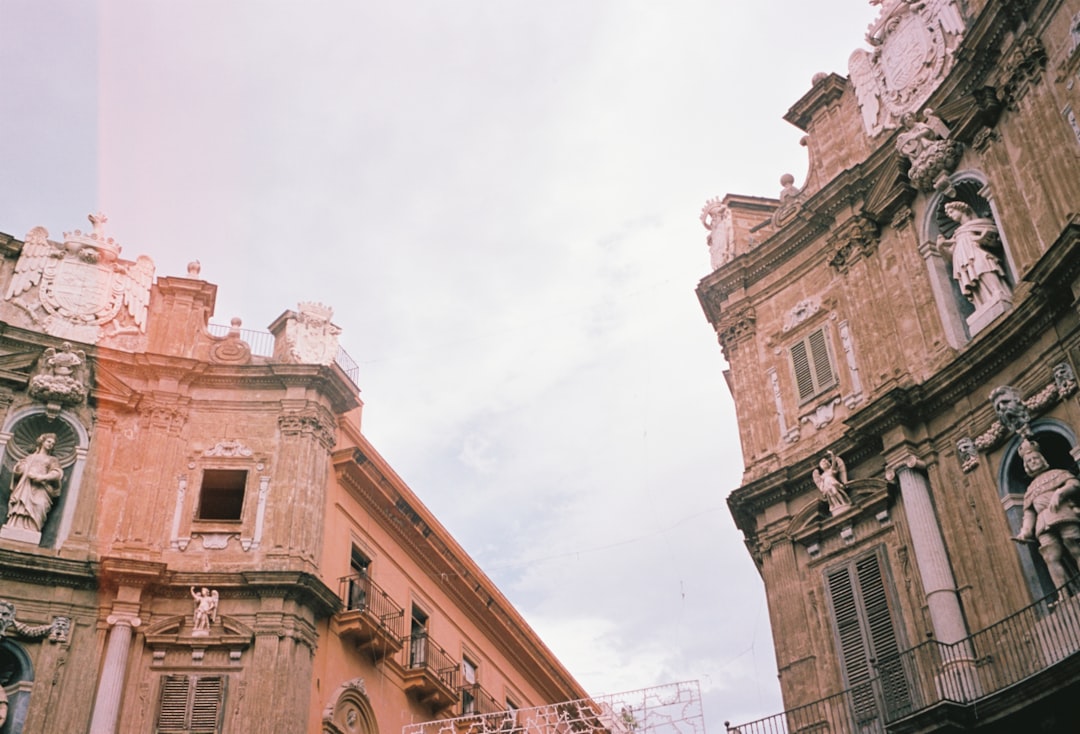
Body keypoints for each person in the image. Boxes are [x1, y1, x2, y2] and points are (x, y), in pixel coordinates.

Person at [1013, 439, 1080, 591]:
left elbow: (1074, 484)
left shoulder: (1057, 473)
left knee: (1075, 546)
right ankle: (1063, 596)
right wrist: (1025, 532)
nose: (1033, 461)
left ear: (1042, 459)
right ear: (1026, 466)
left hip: (1062, 512)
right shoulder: (1030, 489)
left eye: (1035, 458)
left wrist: (1059, 493)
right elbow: (1029, 514)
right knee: (1050, 556)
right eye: (1029, 461)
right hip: (1042, 522)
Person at [937, 202, 1011, 310]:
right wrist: (941, 248)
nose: (950, 216)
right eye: (948, 215)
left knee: (984, 267)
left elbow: (994, 237)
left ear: (961, 209)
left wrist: (981, 238)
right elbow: (951, 257)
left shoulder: (978, 224)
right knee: (972, 278)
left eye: (952, 212)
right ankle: (981, 303)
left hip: (975, 253)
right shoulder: (956, 234)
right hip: (963, 260)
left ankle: (997, 291)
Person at [4, 433, 63, 533]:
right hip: (26, 485)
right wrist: (21, 469)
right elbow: (18, 471)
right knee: (21, 506)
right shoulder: (30, 458)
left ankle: (33, 529)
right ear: (42, 442)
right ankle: (15, 526)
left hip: (41, 488)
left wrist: (42, 477)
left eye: (53, 444)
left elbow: (57, 473)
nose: (50, 445)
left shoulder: (52, 460)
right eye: (49, 442)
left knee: (40, 505)